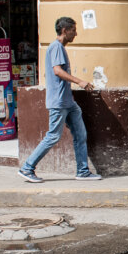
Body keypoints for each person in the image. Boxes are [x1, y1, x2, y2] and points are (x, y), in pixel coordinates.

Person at [18, 17, 103, 183]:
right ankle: (27, 168)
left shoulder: (59, 48)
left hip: (68, 102)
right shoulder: (56, 47)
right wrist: (79, 81)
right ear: (65, 30)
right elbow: (57, 71)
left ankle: (83, 171)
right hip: (58, 102)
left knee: (80, 134)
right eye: (73, 30)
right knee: (53, 136)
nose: (76, 34)